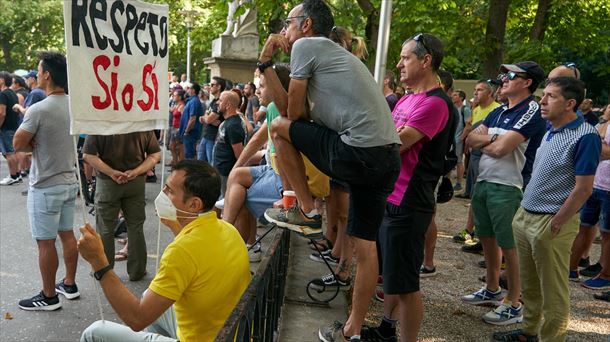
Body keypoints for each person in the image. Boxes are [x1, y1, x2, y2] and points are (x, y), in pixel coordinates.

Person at [257, 1, 401, 340]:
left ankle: (306, 210)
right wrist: (266, 63)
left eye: (288, 23)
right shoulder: (330, 58)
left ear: (306, 25)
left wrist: (268, 58)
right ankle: (352, 329)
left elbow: (288, 117)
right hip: (385, 158)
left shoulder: (307, 46)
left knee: (278, 128)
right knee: (365, 248)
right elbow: (287, 111)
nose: (284, 31)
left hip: (357, 152)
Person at [79, 160, 251, 341]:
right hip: (230, 333)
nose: (162, 194)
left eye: (169, 190)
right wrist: (177, 226)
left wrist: (99, 261)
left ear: (194, 205)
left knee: (94, 332)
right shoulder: (227, 229)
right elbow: (196, 259)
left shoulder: (181, 251)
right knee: (149, 297)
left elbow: (137, 318)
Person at [361, 33, 457, 342]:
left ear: (426, 61)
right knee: (392, 276)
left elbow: (395, 142)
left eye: (406, 58)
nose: (399, 64)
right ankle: (387, 327)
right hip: (391, 196)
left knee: (405, 284)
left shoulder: (436, 103)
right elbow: (388, 131)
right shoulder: (407, 97)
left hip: (409, 202)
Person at [493, 77, 601, 342]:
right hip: (527, 215)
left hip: (550, 222)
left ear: (570, 103)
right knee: (529, 283)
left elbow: (584, 188)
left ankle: (551, 338)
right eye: (544, 95)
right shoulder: (550, 128)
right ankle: (529, 331)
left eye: (551, 96)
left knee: (553, 289)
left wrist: (557, 221)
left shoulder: (586, 136)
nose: (542, 101)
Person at [462, 61, 546, 325]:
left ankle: (514, 302)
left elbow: (501, 150)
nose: (504, 79)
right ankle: (492, 288)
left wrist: (488, 141)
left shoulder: (531, 109)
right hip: (486, 182)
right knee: (486, 238)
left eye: (511, 75)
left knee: (510, 246)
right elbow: (469, 141)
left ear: (527, 82)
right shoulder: (499, 111)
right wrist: (493, 139)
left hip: (510, 186)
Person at [13, 51, 80, 310]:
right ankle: (70, 284)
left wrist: (32, 141)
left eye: (39, 71)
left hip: (45, 184)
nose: (36, 75)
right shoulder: (74, 105)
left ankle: (49, 295)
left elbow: (18, 143)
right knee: (67, 234)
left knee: (45, 241)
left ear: (48, 74)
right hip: (68, 179)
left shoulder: (38, 109)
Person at [83, 131, 161, 281]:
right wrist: (137, 171)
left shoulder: (100, 121)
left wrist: (111, 172)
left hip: (107, 184)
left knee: (105, 228)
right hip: (136, 182)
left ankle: (104, 272)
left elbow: (88, 155)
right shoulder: (141, 123)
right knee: (135, 226)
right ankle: (137, 271)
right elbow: (155, 154)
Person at [213, 90, 246, 196]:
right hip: (220, 170)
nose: (217, 102)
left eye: (221, 100)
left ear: (227, 105)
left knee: (224, 200)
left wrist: (234, 174)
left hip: (227, 172)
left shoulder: (233, 125)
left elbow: (239, 154)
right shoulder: (227, 122)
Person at [0, 71, 22, 185]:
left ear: (2, 80)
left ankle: (12, 176)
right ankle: (17, 175)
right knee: (13, 152)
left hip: (6, 127)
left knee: (9, 153)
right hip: (14, 126)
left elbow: (1, 113)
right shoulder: (13, 93)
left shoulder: (2, 94)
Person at [199, 77, 226, 163]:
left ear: (219, 87)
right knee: (200, 164)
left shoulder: (220, 102)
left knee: (212, 164)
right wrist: (208, 118)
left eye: (212, 85)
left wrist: (207, 118)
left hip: (213, 138)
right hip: (206, 136)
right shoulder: (213, 101)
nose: (210, 87)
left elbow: (208, 119)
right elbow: (203, 118)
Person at [452, 89, 471, 191]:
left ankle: (459, 183)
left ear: (461, 98)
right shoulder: (451, 108)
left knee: (459, 161)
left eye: (455, 95)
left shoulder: (465, 109)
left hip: (458, 139)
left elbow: (468, 126)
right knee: (449, 159)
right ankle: (447, 180)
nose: (452, 96)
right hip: (451, 139)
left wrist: (461, 138)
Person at [179, 82, 203, 160]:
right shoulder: (191, 100)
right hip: (190, 132)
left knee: (189, 155)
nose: (187, 90)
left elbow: (192, 118)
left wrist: (187, 131)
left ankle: (191, 171)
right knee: (189, 154)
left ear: (193, 90)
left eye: (189, 88)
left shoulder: (194, 101)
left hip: (191, 132)